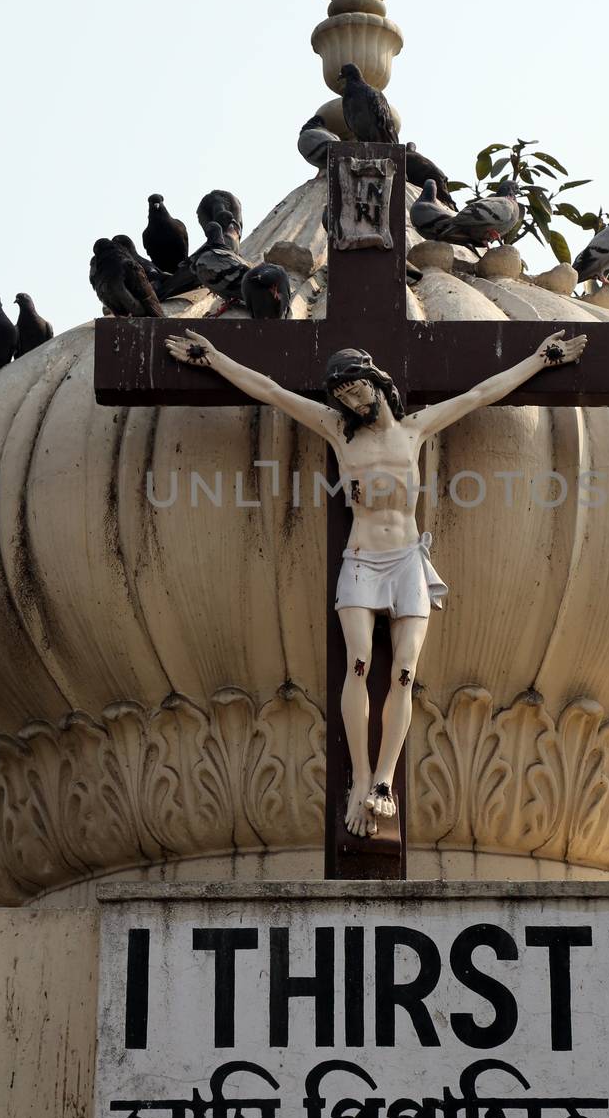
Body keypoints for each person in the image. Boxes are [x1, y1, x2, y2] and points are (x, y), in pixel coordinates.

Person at [165, 329, 587, 835]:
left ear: (375, 381)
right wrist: (213, 360)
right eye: (340, 395)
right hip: (363, 560)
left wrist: (540, 360)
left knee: (405, 671)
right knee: (359, 664)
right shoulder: (335, 430)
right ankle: (360, 780)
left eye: (354, 388)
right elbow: (271, 391)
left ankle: (385, 780)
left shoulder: (414, 429)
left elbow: (481, 394)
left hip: (407, 560)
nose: (348, 399)